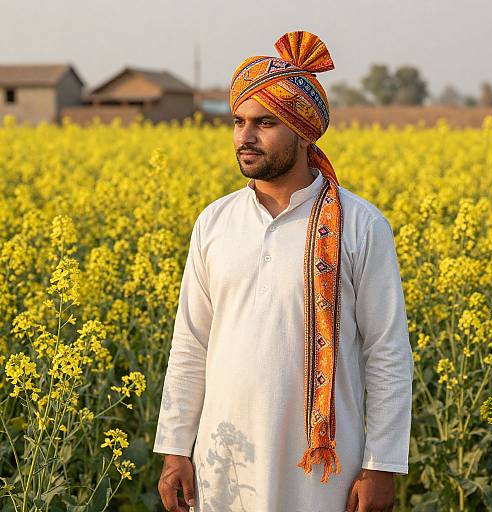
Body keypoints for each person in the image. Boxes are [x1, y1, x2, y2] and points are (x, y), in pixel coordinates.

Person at [154, 30, 413, 512]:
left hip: (323, 474)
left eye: (264, 123)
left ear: (303, 130)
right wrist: (175, 450)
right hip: (223, 462)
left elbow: (387, 352)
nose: (245, 137)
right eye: (238, 122)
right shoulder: (215, 221)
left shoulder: (360, 225)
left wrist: (382, 464)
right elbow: (191, 342)